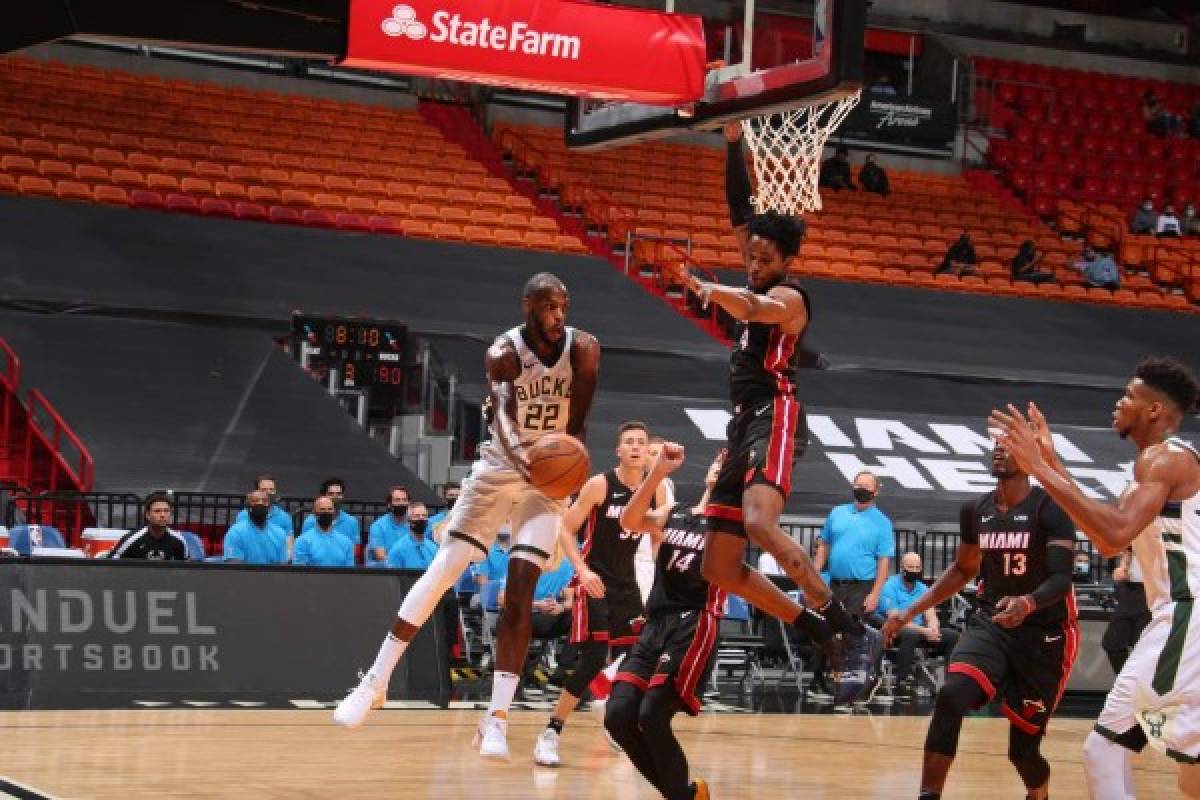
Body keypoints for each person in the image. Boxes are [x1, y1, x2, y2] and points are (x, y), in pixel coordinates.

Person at [334, 272, 601, 767]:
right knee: (443, 572)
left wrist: (566, 469)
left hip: (548, 479)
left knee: (522, 584)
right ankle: (374, 682)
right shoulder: (503, 351)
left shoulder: (584, 349)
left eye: (563, 306)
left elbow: (579, 422)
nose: (558, 316)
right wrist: (528, 462)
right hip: (502, 467)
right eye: (548, 306)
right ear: (528, 307)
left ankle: (495, 720)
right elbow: (500, 415)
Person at [676, 122, 880, 708]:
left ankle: (849, 627)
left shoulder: (789, 298)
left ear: (786, 261)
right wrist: (736, 143)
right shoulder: (755, 264)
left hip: (777, 412)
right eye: (751, 255)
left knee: (762, 525)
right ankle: (813, 626)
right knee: (719, 565)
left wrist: (714, 293)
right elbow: (741, 206)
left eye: (764, 257)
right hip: (743, 424)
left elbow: (760, 306)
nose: (754, 262)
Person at [989, 357, 1200, 798]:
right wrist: (1050, 461)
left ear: (1155, 411)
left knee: (1103, 750)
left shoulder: (1162, 460)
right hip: (1184, 615)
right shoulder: (1160, 464)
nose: (1119, 403)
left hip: (1186, 616)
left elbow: (1111, 536)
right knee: (1192, 775)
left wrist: (1038, 468)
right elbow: (1106, 522)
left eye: (1128, 396)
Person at [881, 441, 1079, 800]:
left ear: (1031, 459)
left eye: (1010, 446)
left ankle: (1039, 794)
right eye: (997, 446)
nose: (999, 451)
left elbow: (1062, 578)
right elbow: (962, 569)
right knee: (951, 695)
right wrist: (909, 612)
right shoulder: (975, 510)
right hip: (991, 622)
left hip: (1043, 634)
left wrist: (1028, 602)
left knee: (1023, 753)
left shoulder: (1051, 508)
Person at [533, 420, 668, 767]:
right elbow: (566, 529)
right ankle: (551, 732)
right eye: (630, 442)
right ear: (619, 450)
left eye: (642, 441)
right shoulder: (599, 485)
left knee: (640, 655)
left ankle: (612, 713)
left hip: (628, 585)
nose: (637, 447)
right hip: (595, 580)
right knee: (593, 659)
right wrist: (582, 569)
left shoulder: (657, 489)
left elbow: (658, 537)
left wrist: (660, 580)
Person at [606, 443, 721, 800]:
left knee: (653, 714)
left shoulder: (733, 524)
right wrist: (656, 473)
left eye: (728, 464)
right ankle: (684, 795)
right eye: (718, 459)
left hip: (694, 622)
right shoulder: (677, 510)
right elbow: (628, 521)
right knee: (619, 716)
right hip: (657, 621)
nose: (720, 465)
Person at [811, 471, 894, 695]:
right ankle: (820, 679)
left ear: (876, 491)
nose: (862, 490)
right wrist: (813, 575)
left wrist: (875, 593)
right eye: (859, 485)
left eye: (867, 487)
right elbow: (824, 545)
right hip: (834, 584)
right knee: (824, 629)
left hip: (862, 586)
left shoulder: (882, 523)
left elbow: (884, 561)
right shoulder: (837, 513)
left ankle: (852, 685)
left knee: (851, 634)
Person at [877, 552, 959, 696]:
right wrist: (924, 631)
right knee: (910, 634)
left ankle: (951, 683)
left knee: (953, 636)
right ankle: (902, 681)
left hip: (921, 631)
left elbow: (931, 614)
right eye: (910, 567)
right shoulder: (889, 586)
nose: (914, 571)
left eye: (917, 567)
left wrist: (933, 628)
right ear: (902, 568)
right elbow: (896, 620)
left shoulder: (923, 589)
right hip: (897, 630)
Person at [1101, 548, 1150, 675]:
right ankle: (1127, 684)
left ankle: (1138, 687)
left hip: (1153, 589)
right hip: (1130, 588)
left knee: (1142, 646)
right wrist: (1123, 566)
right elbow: (1130, 550)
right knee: (1112, 642)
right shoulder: (1138, 530)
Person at [108, 491, 188, 560]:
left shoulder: (178, 540)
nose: (163, 515)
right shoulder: (131, 539)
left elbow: (186, 570)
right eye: (157, 511)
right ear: (147, 515)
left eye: (166, 511)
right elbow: (111, 564)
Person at [222, 489, 289, 564]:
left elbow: (282, 566)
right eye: (255, 501)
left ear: (269, 508)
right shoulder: (235, 532)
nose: (260, 503)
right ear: (248, 508)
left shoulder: (280, 533)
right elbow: (233, 566)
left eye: (264, 501)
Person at [293, 495, 355, 567]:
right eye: (322, 509)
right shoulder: (302, 541)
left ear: (334, 512)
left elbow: (349, 572)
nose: (326, 512)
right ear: (314, 513)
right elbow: (299, 573)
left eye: (330, 509)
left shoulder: (346, 542)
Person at [301, 477, 361, 546]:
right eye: (331, 494)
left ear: (343, 496)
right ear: (323, 496)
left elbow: (355, 549)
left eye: (339, 494)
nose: (335, 497)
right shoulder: (310, 522)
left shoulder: (352, 522)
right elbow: (305, 546)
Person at [367, 486, 411, 567]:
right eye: (397, 500)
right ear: (389, 504)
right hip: (384, 574)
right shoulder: (378, 526)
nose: (401, 503)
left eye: (404, 500)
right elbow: (380, 556)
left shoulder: (412, 524)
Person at [386, 502, 438, 570]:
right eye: (416, 516)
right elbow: (392, 579)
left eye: (424, 515)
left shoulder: (433, 548)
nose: (421, 518)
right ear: (408, 521)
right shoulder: (398, 550)